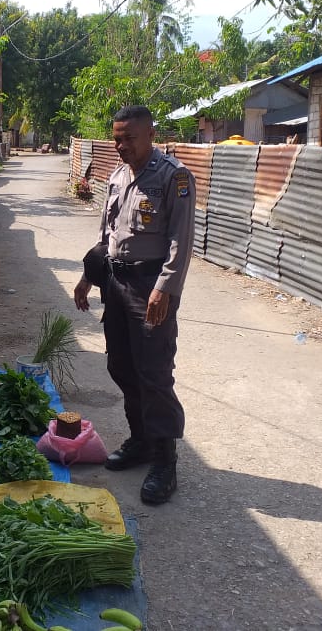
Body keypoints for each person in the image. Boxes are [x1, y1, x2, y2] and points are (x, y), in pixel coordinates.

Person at [73, 105, 196, 505]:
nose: (120, 144)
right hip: (116, 280)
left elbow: (181, 239)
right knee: (120, 364)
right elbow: (107, 232)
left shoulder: (173, 177)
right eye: (116, 137)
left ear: (149, 135)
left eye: (128, 137)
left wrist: (165, 288)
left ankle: (165, 458)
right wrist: (90, 276)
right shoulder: (116, 176)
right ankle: (141, 440)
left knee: (154, 372)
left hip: (150, 286)